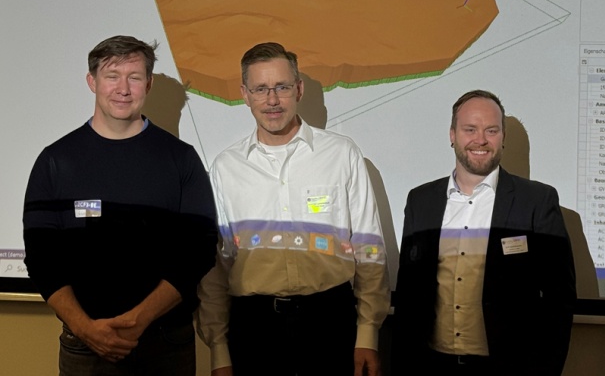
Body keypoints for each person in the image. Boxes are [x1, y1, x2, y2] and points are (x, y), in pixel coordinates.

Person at [23, 35, 218, 375]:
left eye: (134, 77)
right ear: (92, 82)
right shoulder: (55, 161)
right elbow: (42, 259)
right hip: (84, 345)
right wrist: (86, 329)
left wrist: (138, 320)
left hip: (166, 343)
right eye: (112, 76)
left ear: (149, 84)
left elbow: (197, 253)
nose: (123, 89)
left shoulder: (181, 160)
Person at [196, 42, 390, 376]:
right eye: (261, 89)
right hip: (254, 331)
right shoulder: (226, 168)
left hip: (331, 323)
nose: (272, 100)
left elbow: (369, 247)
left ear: (298, 89)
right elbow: (216, 266)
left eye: (282, 87)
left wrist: (368, 333)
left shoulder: (341, 154)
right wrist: (219, 351)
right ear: (245, 95)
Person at [394, 90, 576, 376]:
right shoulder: (420, 201)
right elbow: (408, 294)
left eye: (491, 130)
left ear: (503, 137)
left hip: (509, 368)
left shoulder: (537, 201)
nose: (480, 140)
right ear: (452, 135)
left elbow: (559, 298)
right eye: (470, 129)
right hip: (430, 365)